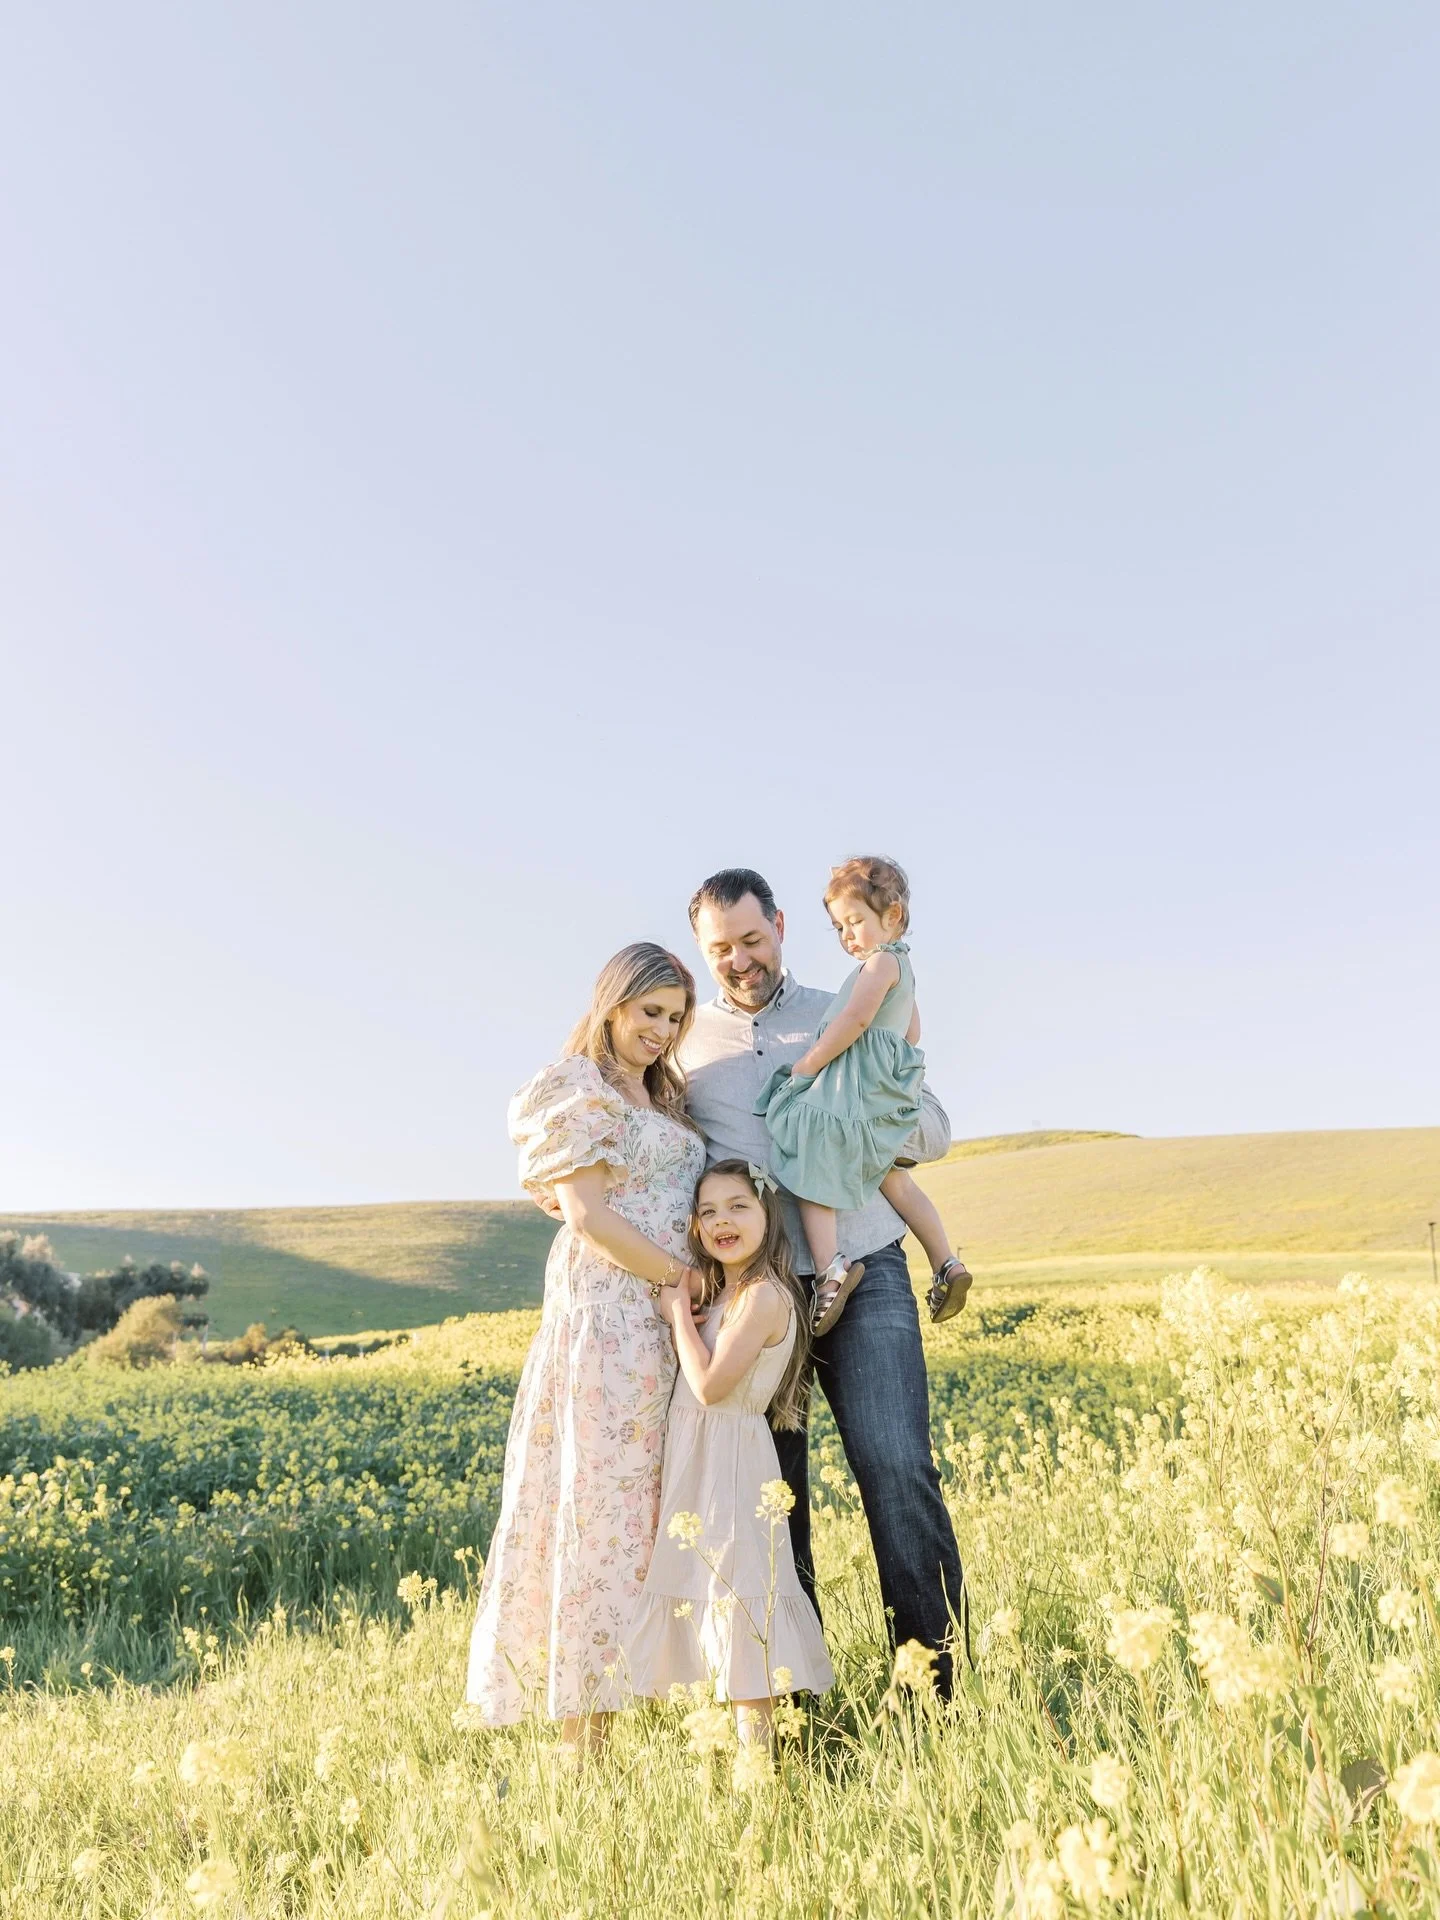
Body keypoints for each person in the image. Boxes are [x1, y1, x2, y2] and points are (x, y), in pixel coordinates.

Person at [679, 869, 970, 1692]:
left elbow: (937, 1128)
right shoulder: (687, 1045)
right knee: (774, 1501)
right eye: (720, 950)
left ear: (778, 925)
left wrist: (854, 1112)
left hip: (868, 1268)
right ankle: (795, 1702)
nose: (739, 960)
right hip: (760, 1298)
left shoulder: (849, 1000)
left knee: (896, 1470)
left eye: (751, 939)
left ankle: (939, 1693)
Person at [465, 942, 708, 1753]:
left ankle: (659, 1713)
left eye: (675, 1018)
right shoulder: (575, 1088)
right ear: (612, 1003)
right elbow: (590, 1217)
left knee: (648, 1525)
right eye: (650, 1013)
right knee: (595, 1519)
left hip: (669, 1323)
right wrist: (679, 1276)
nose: (662, 1031)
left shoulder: (666, 1098)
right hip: (609, 1322)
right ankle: (582, 1747)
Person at [623, 1161, 834, 1756]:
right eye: (709, 1211)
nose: (722, 1221)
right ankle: (741, 1763)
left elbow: (712, 1386)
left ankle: (759, 1771)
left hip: (734, 1465)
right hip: (702, 1464)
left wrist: (675, 1320)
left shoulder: (765, 1295)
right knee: (719, 1603)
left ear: (769, 1216)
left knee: (741, 1608)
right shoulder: (726, 1294)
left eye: (739, 1206)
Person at [754, 855, 969, 1334]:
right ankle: (946, 1262)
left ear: (891, 917)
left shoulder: (879, 964)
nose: (848, 936)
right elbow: (911, 1031)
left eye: (855, 922)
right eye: (838, 927)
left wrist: (811, 1063)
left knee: (810, 1154)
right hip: (884, 1090)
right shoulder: (903, 967)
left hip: (854, 1089)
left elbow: (855, 1021)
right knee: (894, 1180)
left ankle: (830, 1272)